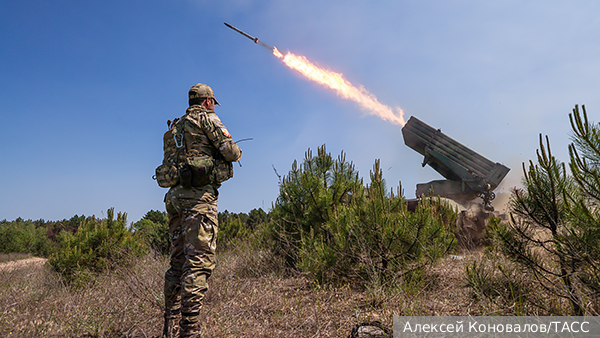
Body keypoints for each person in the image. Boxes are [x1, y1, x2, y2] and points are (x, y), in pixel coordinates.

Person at [160, 83, 242, 338]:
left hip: (174, 200)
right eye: (212, 103)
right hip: (199, 202)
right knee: (198, 264)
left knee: (178, 262)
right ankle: (190, 331)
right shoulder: (208, 119)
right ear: (208, 102)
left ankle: (169, 326)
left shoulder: (174, 128)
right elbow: (232, 152)